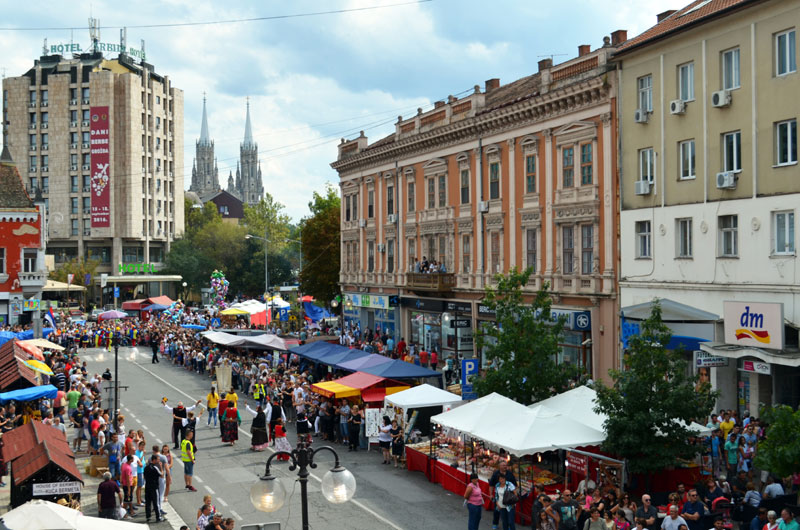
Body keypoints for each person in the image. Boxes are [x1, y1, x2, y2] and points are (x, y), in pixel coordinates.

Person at [490, 460, 518, 530]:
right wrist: (491, 494)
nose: (505, 466)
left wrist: (513, 501)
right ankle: (495, 523)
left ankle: (509, 527)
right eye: (503, 465)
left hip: (509, 502)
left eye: (506, 465)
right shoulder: (496, 475)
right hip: (500, 502)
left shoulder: (510, 474)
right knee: (498, 513)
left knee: (510, 520)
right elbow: (491, 485)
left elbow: (515, 487)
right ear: (499, 466)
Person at [143, 454, 163, 523]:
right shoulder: (155, 468)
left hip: (147, 487)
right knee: (156, 503)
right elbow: (161, 475)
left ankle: (148, 516)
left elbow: (144, 477)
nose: (158, 461)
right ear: (154, 460)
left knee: (148, 502)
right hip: (154, 488)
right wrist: (161, 467)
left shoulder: (146, 468)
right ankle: (158, 517)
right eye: (157, 459)